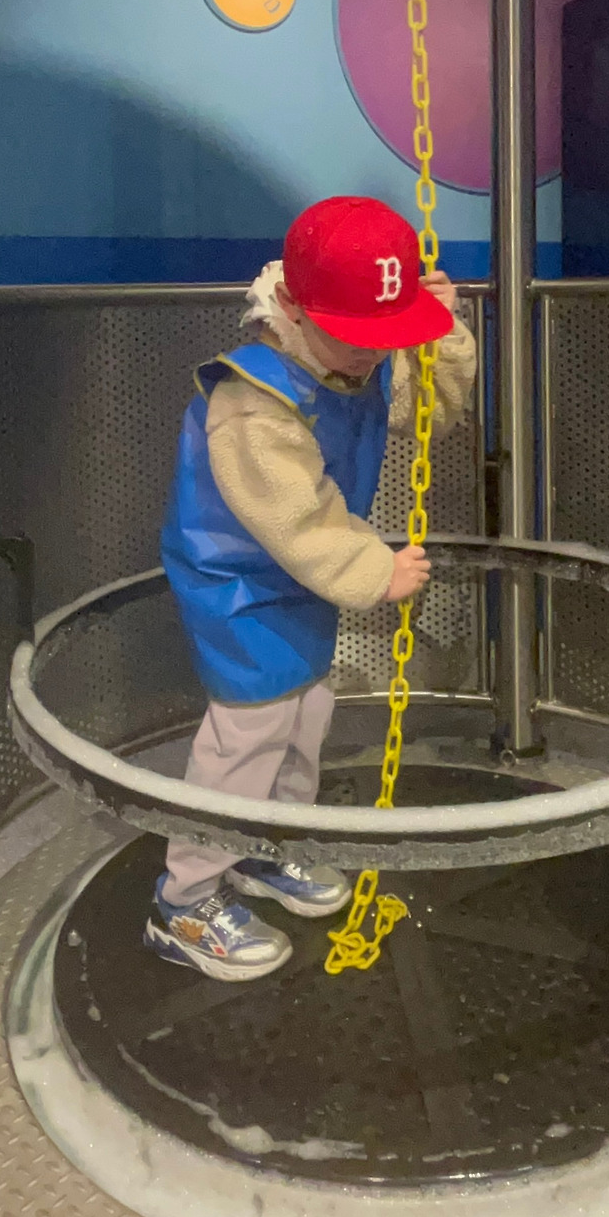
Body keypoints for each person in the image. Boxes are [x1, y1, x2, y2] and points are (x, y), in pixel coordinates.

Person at [154, 194, 477, 980]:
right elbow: (295, 516)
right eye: (357, 336)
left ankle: (268, 844)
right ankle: (184, 899)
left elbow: (431, 412)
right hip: (238, 586)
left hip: (299, 581)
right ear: (294, 309)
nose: (370, 356)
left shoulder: (347, 356)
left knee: (306, 715)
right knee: (247, 734)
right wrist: (374, 570)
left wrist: (441, 335)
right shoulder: (253, 397)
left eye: (384, 337)